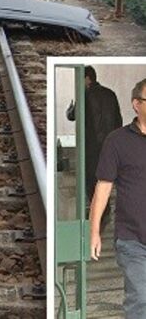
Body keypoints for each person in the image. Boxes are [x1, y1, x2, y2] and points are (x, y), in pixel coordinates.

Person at [90, 78, 146, 318]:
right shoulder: (117, 141)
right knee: (141, 298)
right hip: (132, 238)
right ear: (136, 104)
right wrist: (94, 231)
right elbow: (103, 187)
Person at [67, 66, 122, 225]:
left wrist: (70, 108)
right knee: (105, 178)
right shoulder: (110, 94)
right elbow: (118, 120)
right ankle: (105, 210)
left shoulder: (85, 95)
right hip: (109, 145)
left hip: (91, 147)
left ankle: (99, 213)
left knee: (91, 180)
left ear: (87, 78)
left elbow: (72, 116)